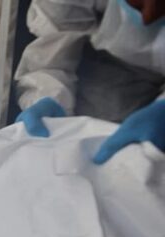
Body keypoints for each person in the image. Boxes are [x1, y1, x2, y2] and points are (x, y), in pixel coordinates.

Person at [14, 0, 165, 164]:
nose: (148, 17)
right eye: (138, 4)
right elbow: (53, 44)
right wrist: (47, 94)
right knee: (93, 141)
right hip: (117, 62)